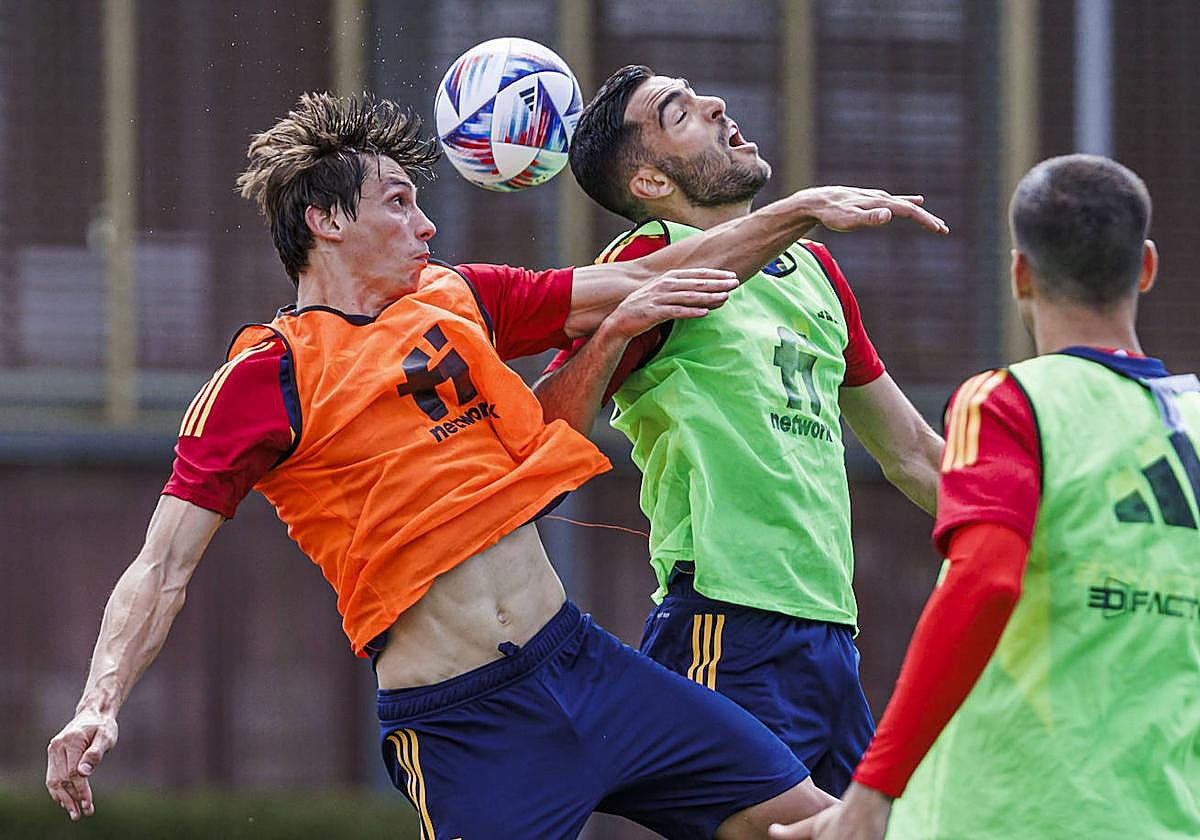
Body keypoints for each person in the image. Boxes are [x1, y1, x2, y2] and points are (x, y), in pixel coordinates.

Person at [43, 93, 947, 839]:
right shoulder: (264, 374)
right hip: (463, 721)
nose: (426, 221)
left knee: (825, 827)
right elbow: (160, 568)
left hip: (585, 665)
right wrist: (99, 702)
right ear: (325, 221)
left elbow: (664, 278)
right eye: (398, 201)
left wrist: (797, 211)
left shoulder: (459, 298)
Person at [535, 65, 947, 795]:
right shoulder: (644, 262)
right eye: (679, 112)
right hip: (727, 626)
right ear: (652, 184)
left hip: (828, 632)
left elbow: (913, 455)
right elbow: (543, 426)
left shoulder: (815, 269)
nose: (717, 104)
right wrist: (611, 336)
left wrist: (1040, 535)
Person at [772, 154, 1200, 840]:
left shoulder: (1009, 402)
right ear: (1145, 267)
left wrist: (872, 790)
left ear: (1019, 273)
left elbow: (985, 581)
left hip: (1013, 810)